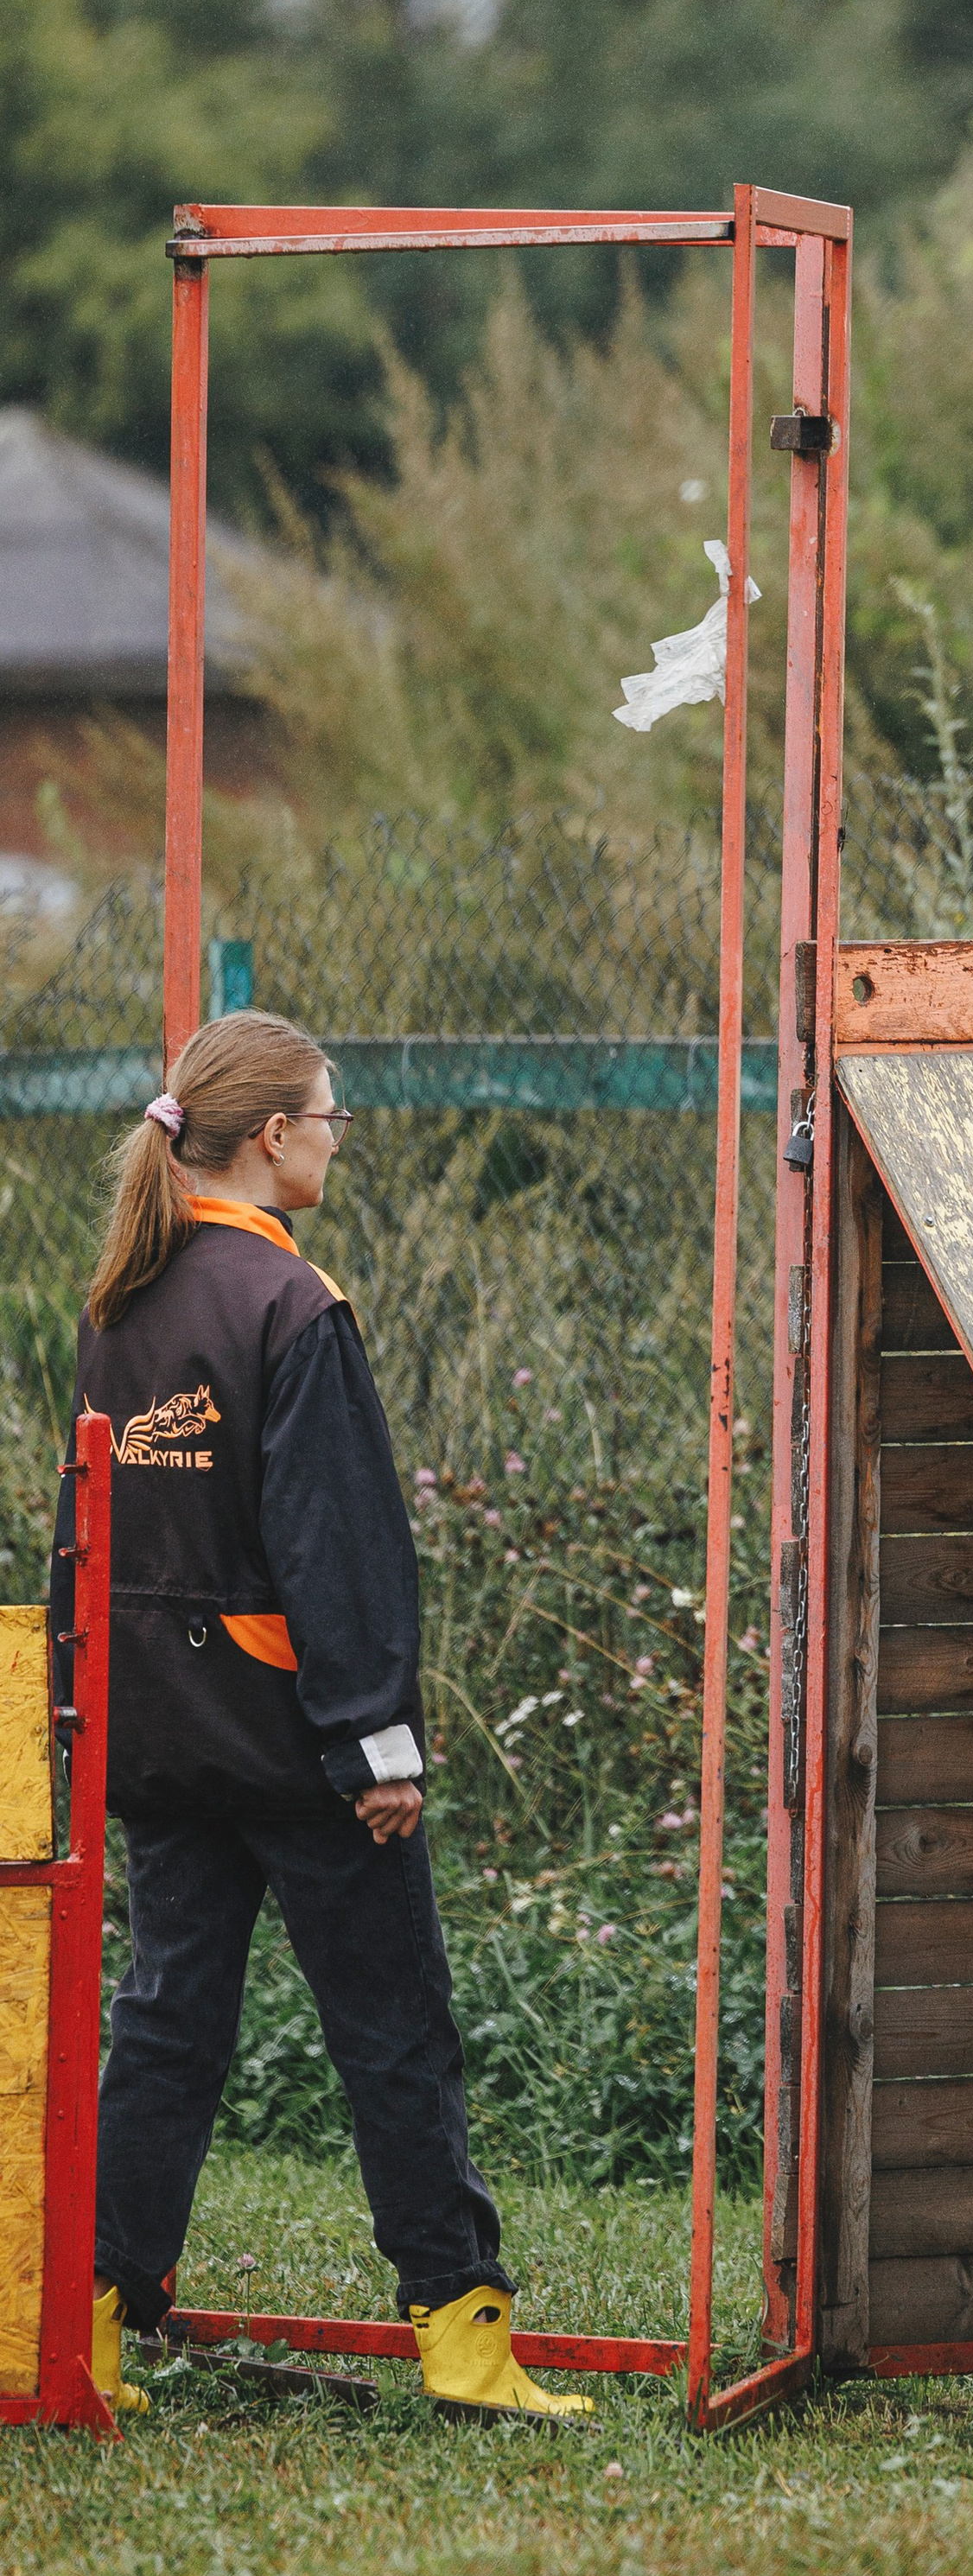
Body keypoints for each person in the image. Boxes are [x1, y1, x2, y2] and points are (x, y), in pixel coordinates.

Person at [54, 1008, 589, 2423]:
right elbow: (337, 1543)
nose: (337, 1139)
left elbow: (88, 1534)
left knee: (165, 2028)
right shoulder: (297, 1307)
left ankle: (92, 2333)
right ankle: (466, 2344)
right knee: (393, 2028)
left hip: (164, 1735)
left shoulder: (124, 1301)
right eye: (329, 1117)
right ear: (275, 1134)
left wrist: (92, 1711)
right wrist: (377, 1742)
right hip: (300, 1744)